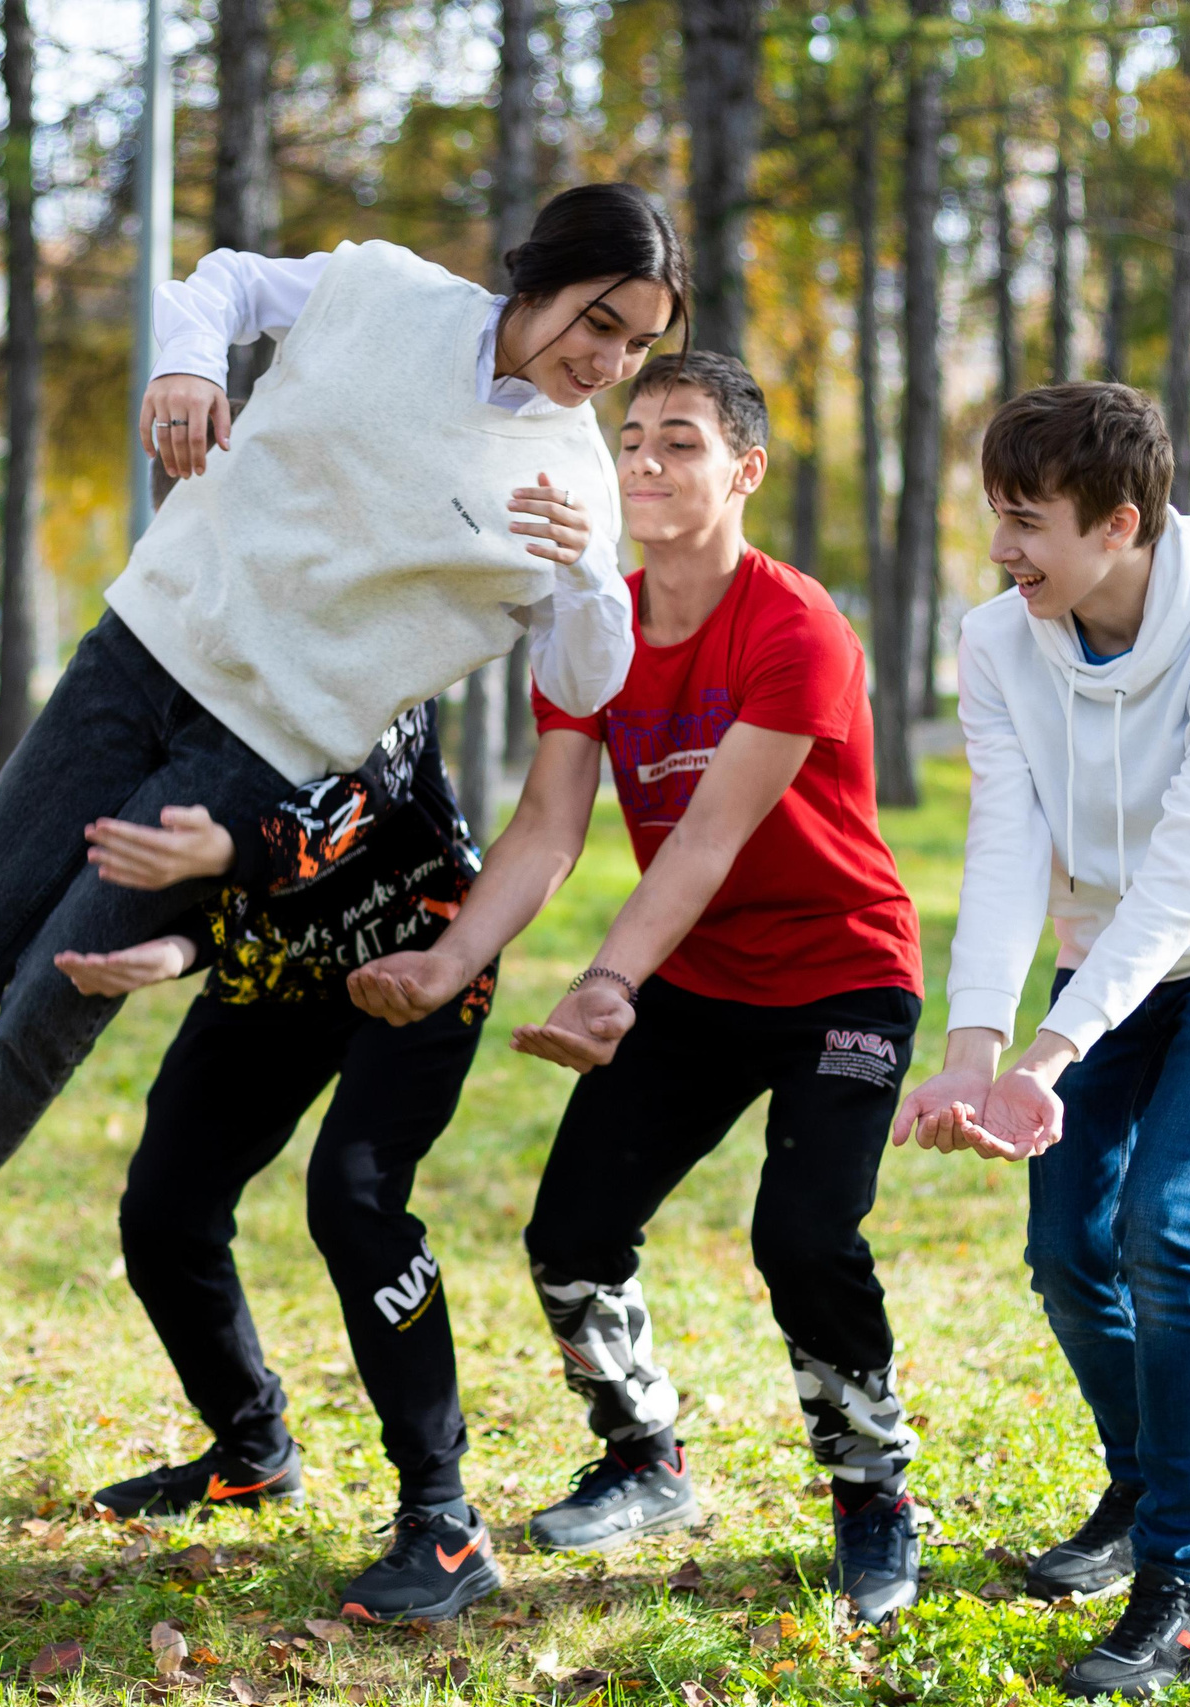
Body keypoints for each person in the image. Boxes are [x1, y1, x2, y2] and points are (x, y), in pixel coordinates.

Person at [0, 184, 687, 1366]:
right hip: (142, 652)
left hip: (260, 747)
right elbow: (226, 285)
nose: (608, 363)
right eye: (598, 323)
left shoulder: (574, 481)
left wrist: (586, 575)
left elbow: (586, 670)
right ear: (538, 278)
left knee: (66, 982)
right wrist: (187, 368)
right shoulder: (386, 292)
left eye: (635, 344)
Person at [346, 352, 929, 1625]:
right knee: (569, 1236)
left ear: (744, 473)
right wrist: (453, 961)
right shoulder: (589, 629)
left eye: (681, 442)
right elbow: (549, 828)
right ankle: (643, 1455)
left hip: (840, 974)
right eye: (632, 443)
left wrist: (608, 980)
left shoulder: (796, 628)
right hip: (698, 977)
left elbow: (711, 836)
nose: (649, 465)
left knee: (803, 1237)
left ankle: (872, 1490)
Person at [891, 382, 1190, 1696]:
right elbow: (1008, 841)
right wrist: (979, 1037)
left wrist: (1054, 1048)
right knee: (1066, 1243)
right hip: (1102, 942)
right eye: (997, 518)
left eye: (1027, 523)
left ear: (1121, 521)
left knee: (1167, 1220)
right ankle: (1144, 1492)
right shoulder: (1001, 639)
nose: (1002, 550)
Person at [52, 702, 509, 1623]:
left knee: (353, 1198)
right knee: (164, 1212)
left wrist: (218, 853)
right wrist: (169, 947)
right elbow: (220, 903)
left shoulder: (384, 656)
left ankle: (444, 1518)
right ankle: (251, 1448)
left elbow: (341, 816)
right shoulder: (195, 682)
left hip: (421, 950)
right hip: (279, 969)